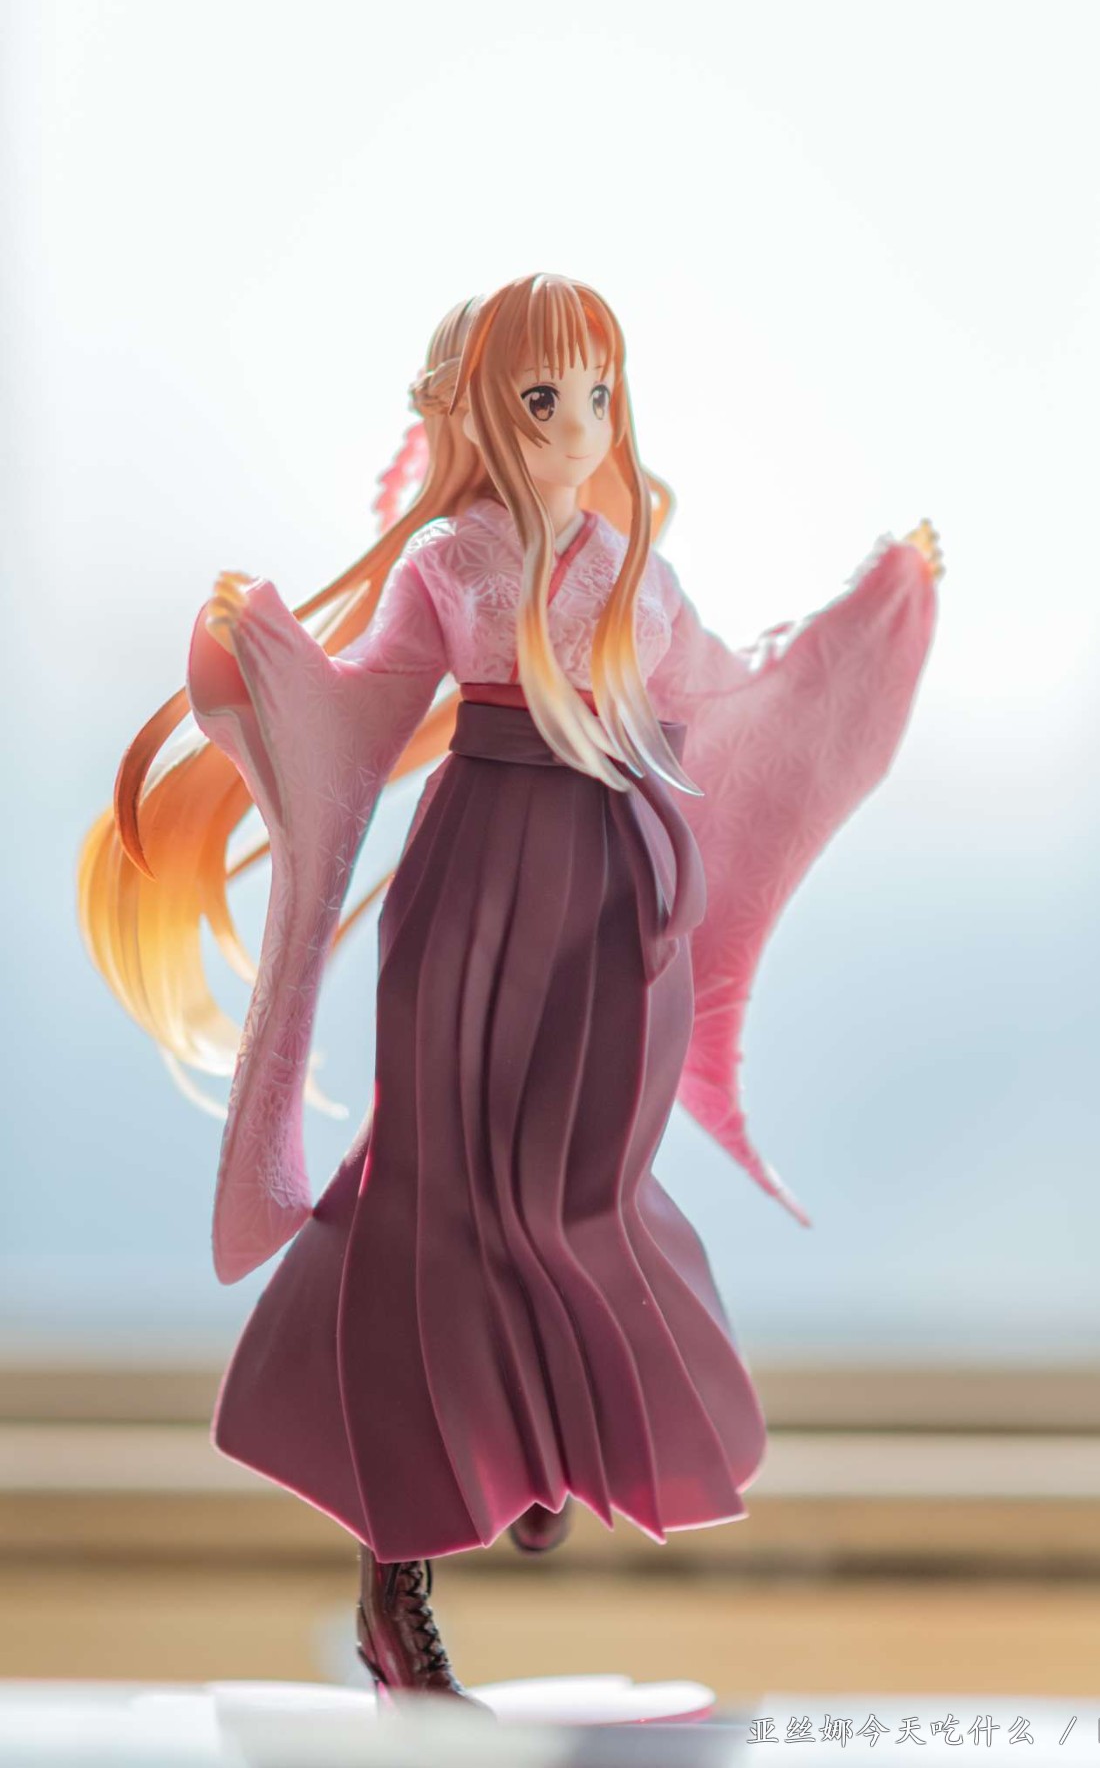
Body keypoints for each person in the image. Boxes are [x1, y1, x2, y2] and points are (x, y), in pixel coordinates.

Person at [78, 272, 943, 1703]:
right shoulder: (455, 560)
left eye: (596, 393)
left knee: (588, 1181)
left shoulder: (635, 564)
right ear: (474, 411)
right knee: (430, 1192)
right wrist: (268, 658)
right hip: (478, 879)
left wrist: (863, 621)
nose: (577, 424)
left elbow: (730, 697)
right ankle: (395, 1585)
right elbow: (366, 700)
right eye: (544, 398)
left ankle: (538, 1430)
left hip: (618, 892)